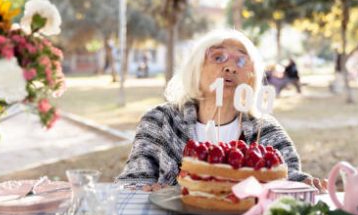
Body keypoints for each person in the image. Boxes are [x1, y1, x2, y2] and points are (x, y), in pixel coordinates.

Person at [116, 29, 326, 192]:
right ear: (196, 70)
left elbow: (288, 178)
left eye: (241, 60)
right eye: (218, 57)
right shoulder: (160, 121)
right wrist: (147, 188)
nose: (230, 67)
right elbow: (133, 181)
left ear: (252, 76)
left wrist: (307, 182)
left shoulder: (265, 128)